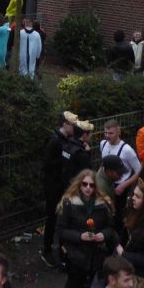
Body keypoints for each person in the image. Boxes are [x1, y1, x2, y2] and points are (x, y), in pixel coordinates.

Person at [58, 168, 120, 288]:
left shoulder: (103, 203)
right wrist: (80, 236)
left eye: (91, 185)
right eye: (84, 184)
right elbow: (61, 230)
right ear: (79, 184)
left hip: (97, 255)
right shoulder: (69, 203)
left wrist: (103, 235)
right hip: (76, 255)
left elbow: (111, 227)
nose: (88, 188)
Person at [41, 110, 81, 268]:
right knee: (52, 218)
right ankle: (47, 250)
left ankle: (61, 251)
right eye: (72, 125)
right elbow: (47, 164)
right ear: (65, 124)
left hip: (62, 185)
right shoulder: (55, 141)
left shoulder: (66, 140)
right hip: (53, 187)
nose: (75, 128)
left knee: (62, 218)